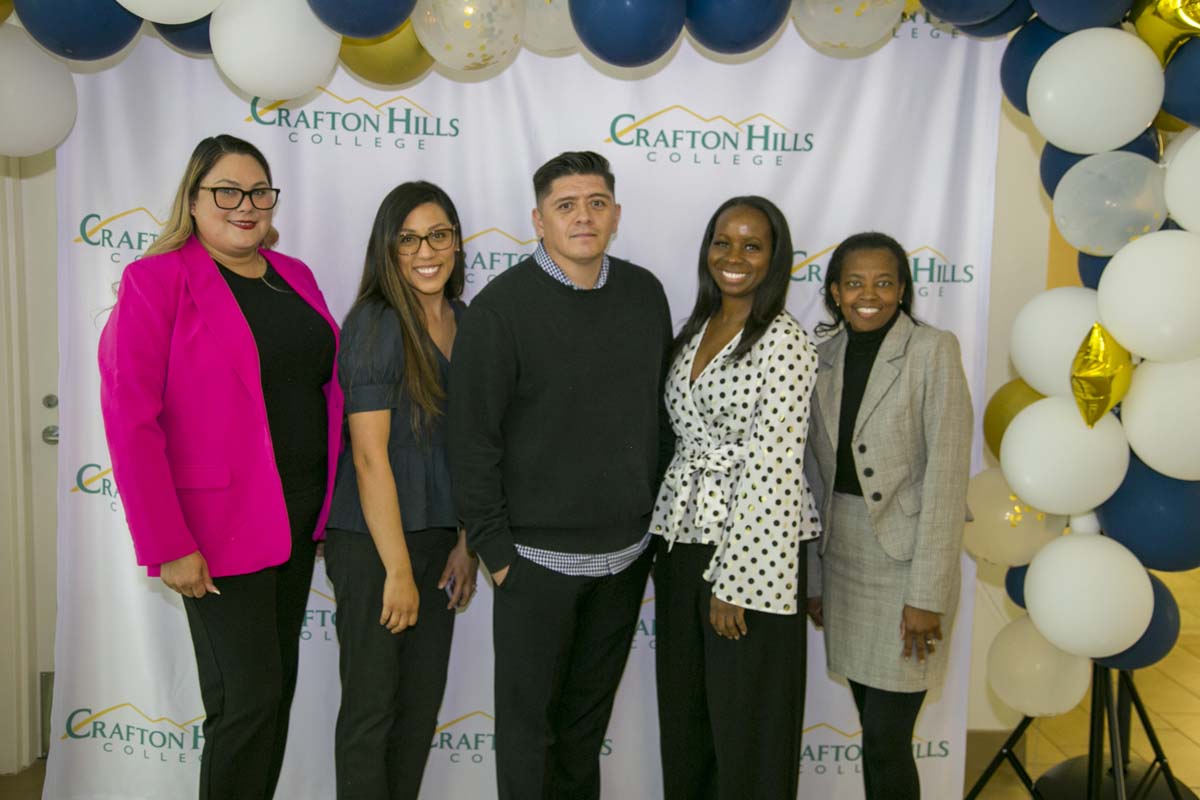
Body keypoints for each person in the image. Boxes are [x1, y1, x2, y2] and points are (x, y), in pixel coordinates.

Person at [98, 134, 343, 800]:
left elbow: (325, 386)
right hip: (213, 530)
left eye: (259, 191)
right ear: (194, 198)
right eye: (227, 192)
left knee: (272, 694)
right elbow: (131, 421)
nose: (246, 205)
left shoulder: (295, 275)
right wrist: (169, 544)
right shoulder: (157, 280)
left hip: (297, 516)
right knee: (249, 701)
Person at [448, 151, 673, 800]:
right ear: (538, 221)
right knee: (526, 736)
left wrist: (647, 530)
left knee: (582, 732)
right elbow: (473, 442)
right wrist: (498, 555)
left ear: (616, 215)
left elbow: (658, 418)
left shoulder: (644, 294)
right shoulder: (501, 311)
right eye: (566, 205)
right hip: (534, 564)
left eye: (596, 203)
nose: (583, 216)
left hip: (624, 560)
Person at [649, 196, 820, 800]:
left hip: (751, 558)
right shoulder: (694, 328)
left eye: (753, 245)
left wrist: (736, 583)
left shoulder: (784, 341)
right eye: (723, 242)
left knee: (747, 731)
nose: (735, 256)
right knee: (688, 721)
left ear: (775, 260)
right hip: (679, 544)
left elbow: (774, 466)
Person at [804, 232, 972, 800]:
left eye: (883, 282)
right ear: (834, 291)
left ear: (902, 290)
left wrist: (927, 595)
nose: (867, 294)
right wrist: (816, 578)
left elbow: (948, 479)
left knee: (885, 737)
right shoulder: (821, 354)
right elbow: (813, 479)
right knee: (871, 729)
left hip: (907, 567)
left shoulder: (933, 350)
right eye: (854, 283)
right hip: (844, 562)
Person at [324, 180, 478, 800]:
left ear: (457, 242)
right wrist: (395, 571)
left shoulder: (467, 321)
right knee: (372, 711)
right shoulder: (375, 323)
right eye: (407, 238)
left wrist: (466, 540)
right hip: (373, 545)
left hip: (440, 540)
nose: (425, 250)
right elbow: (368, 457)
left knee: (417, 711)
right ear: (387, 250)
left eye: (438, 234)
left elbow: (473, 446)